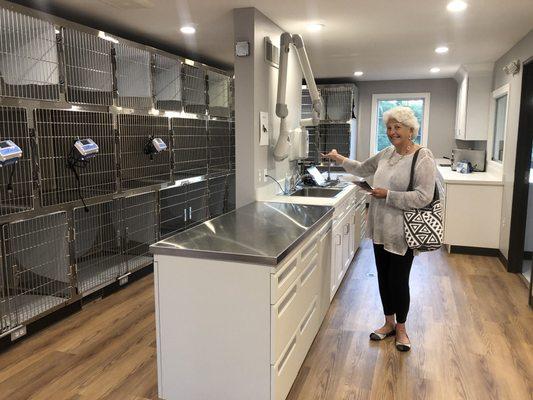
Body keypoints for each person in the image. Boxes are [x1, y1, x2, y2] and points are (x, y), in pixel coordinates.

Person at [322, 106, 437, 352]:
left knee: (399, 280)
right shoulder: (387, 153)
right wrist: (338, 158)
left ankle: (402, 329)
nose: (392, 132)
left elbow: (424, 196)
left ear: (410, 130)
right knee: (384, 278)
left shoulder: (422, 156)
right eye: (389, 127)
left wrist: (389, 195)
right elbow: (363, 168)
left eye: (398, 127)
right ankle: (388, 323)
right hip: (380, 227)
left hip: (402, 232)